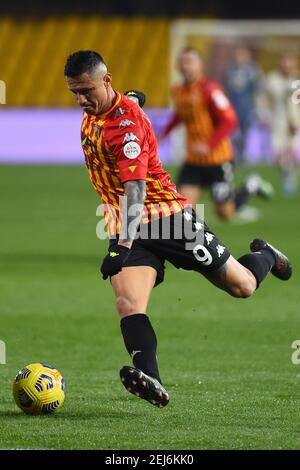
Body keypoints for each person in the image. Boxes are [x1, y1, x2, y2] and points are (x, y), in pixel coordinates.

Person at [64, 50, 292, 408]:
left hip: (169, 220)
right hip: (127, 223)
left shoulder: (125, 127)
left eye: (86, 90)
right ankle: (151, 377)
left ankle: (265, 255)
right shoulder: (101, 108)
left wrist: (121, 246)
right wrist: (134, 99)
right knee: (128, 303)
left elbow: (136, 189)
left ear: (105, 81)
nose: (81, 100)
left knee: (242, 286)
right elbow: (122, 104)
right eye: (75, 92)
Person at [159, 47, 273, 221]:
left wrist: (208, 145)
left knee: (225, 213)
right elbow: (179, 115)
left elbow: (230, 121)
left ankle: (251, 185)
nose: (185, 66)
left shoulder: (210, 90)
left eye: (189, 62)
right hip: (193, 161)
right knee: (182, 209)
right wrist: (162, 135)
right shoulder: (178, 91)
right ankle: (191, 245)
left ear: (200, 65)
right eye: (182, 62)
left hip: (218, 160)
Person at [256, 52, 300, 196]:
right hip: (277, 122)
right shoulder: (271, 80)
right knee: (278, 154)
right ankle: (286, 172)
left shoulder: (297, 79)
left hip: (295, 121)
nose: (287, 65)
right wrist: (264, 117)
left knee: (292, 151)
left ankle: (290, 177)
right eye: (284, 62)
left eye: (290, 62)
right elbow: (261, 99)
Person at [223, 46, 263, 164]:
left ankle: (243, 155)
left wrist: (258, 108)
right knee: (234, 134)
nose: (239, 58)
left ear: (247, 57)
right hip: (233, 108)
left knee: (246, 133)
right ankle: (235, 154)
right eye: (237, 55)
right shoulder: (229, 71)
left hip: (247, 108)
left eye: (242, 55)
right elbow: (225, 90)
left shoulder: (253, 71)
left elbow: (258, 90)